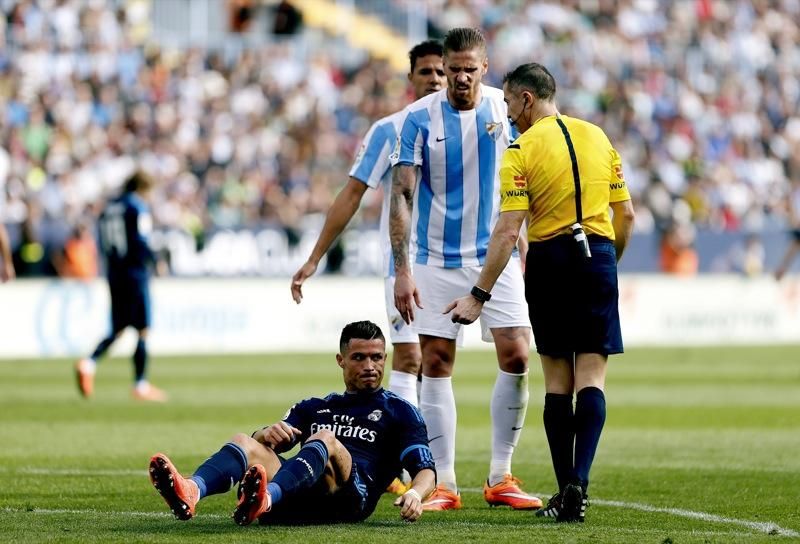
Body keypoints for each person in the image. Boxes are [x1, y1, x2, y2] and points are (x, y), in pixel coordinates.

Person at [445, 62, 635, 522]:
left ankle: (566, 486)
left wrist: (478, 295)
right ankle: (580, 484)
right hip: (598, 255)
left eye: (509, 102)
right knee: (591, 378)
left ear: (527, 99)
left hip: (550, 260)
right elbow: (625, 215)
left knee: (556, 381)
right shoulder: (598, 137)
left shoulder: (520, 149)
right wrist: (608, 263)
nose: (507, 113)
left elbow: (509, 231)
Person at [389, 27, 540, 512]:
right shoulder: (417, 118)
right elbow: (403, 195)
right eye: (452, 70)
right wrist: (402, 270)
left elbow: (532, 175)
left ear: (485, 66)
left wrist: (527, 239)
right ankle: (445, 482)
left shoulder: (504, 110)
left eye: (468, 70)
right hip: (434, 259)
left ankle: (500, 475)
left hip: (494, 255)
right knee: (435, 362)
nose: (458, 79)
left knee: (517, 353)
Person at [148, 320, 436, 526]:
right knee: (244, 441)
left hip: (350, 498)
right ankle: (192, 489)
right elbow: (266, 443)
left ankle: (265, 498)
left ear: (385, 359)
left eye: (376, 358)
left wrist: (415, 492)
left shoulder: (400, 411)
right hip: (300, 494)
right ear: (341, 360)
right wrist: (266, 433)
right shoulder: (316, 407)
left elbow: (426, 471)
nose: (369, 366)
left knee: (324, 438)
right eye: (359, 358)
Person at [291, 40, 445, 410]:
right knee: (410, 358)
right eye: (426, 71)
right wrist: (315, 257)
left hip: (457, 258)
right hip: (405, 260)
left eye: (442, 71)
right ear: (410, 77)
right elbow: (351, 193)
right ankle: (410, 466)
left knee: (438, 361)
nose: (435, 79)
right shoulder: (388, 130)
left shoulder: (472, 125)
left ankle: (435, 461)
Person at [74, 171, 167, 401]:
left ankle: (89, 362)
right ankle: (140, 384)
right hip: (135, 273)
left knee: (119, 326)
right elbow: (141, 240)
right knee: (143, 330)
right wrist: (156, 261)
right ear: (144, 187)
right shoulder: (137, 207)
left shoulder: (108, 207)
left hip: (114, 273)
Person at [774, 178, 800, 280]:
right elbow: (791, 208)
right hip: (797, 225)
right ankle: (781, 270)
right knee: (794, 246)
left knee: (794, 246)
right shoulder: (795, 194)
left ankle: (781, 269)